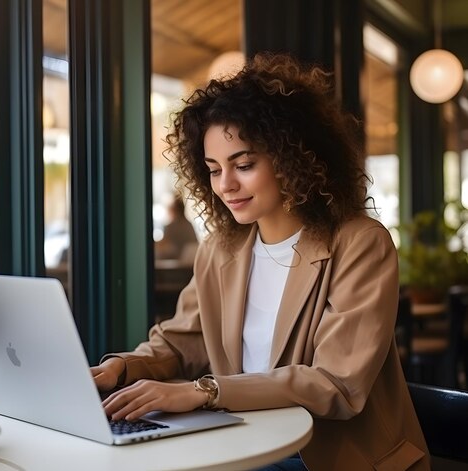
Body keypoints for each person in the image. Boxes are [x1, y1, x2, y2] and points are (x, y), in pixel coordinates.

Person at [91, 52, 429, 470]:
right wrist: (121, 369)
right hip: (249, 444)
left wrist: (205, 391)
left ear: (294, 160)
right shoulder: (221, 249)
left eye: (244, 164)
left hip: (329, 458)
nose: (226, 185)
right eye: (213, 169)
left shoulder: (360, 243)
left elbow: (336, 383)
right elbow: (182, 342)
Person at [154, 194, 198, 262]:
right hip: (190, 264)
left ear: (173, 210)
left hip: (176, 262)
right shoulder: (189, 225)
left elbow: (163, 245)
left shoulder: (171, 227)